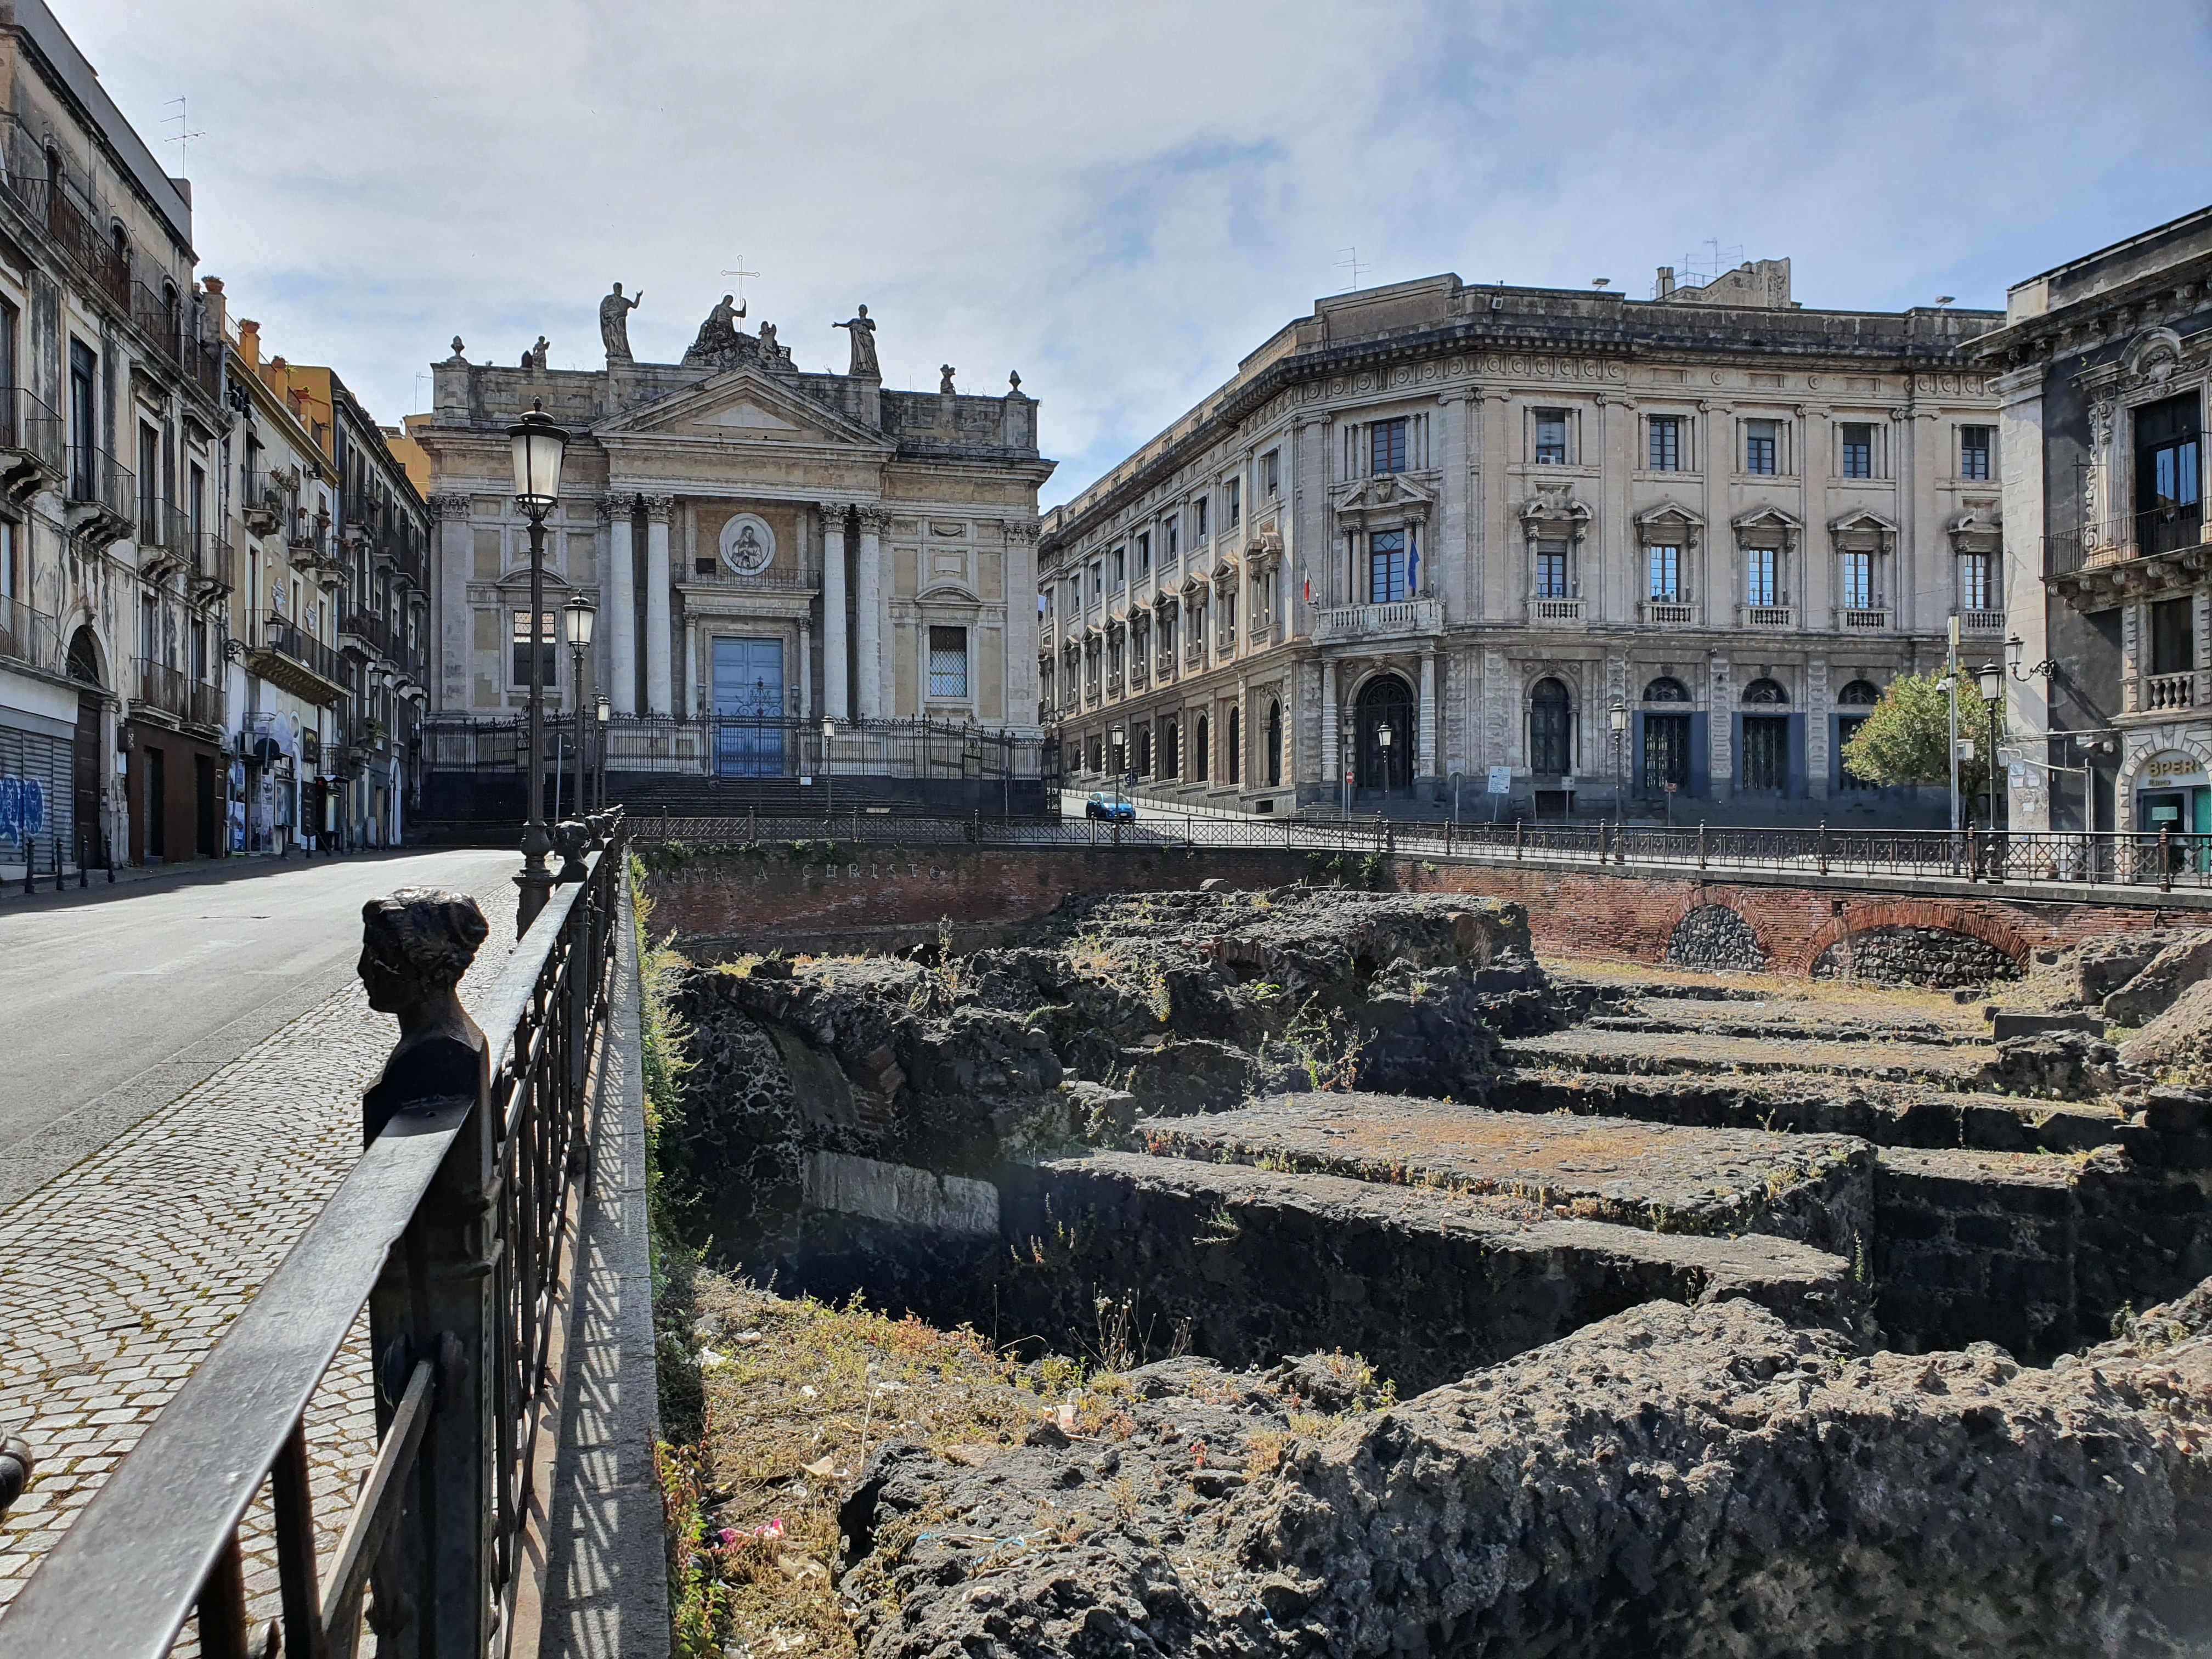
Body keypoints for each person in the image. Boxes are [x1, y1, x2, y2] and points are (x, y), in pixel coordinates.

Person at [599, 282, 642, 363]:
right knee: (611, 337)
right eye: (617, 288)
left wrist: (638, 297)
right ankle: (613, 352)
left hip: (620, 323)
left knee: (621, 337)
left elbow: (634, 305)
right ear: (614, 289)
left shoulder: (624, 301)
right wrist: (604, 319)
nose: (619, 290)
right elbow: (602, 311)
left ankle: (623, 352)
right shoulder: (608, 299)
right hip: (610, 323)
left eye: (620, 288)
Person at [833, 305, 880, 376]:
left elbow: (874, 328)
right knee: (860, 353)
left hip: (867, 339)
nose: (862, 311)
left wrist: (866, 323)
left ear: (866, 311)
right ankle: (862, 368)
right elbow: (847, 325)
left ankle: (871, 369)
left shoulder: (869, 321)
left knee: (870, 354)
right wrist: (838, 324)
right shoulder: (855, 321)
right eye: (861, 310)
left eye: (863, 310)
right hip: (859, 341)